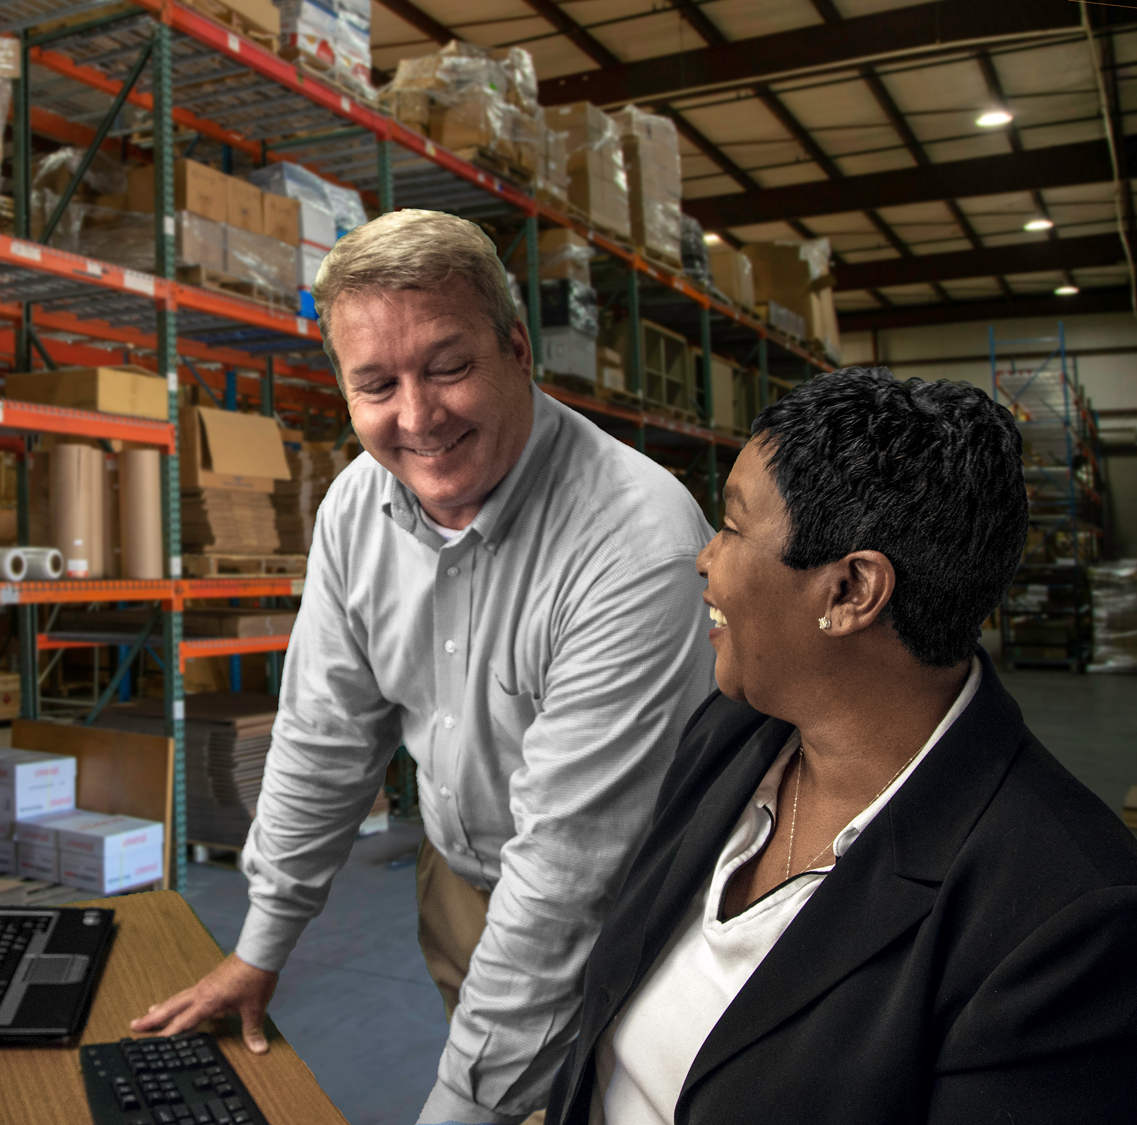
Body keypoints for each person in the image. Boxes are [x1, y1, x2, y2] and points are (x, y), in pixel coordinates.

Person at [133, 208, 717, 1124]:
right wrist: (261, 945)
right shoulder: (357, 509)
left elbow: (569, 871)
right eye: (376, 384)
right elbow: (325, 734)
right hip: (459, 877)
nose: (417, 418)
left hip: (631, 906)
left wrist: (458, 1104)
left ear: (518, 348)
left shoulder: (634, 541)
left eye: (449, 367)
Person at [544, 368, 1137, 1124]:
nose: (705, 559)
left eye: (730, 526)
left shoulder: (1063, 918)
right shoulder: (732, 736)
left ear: (851, 590)